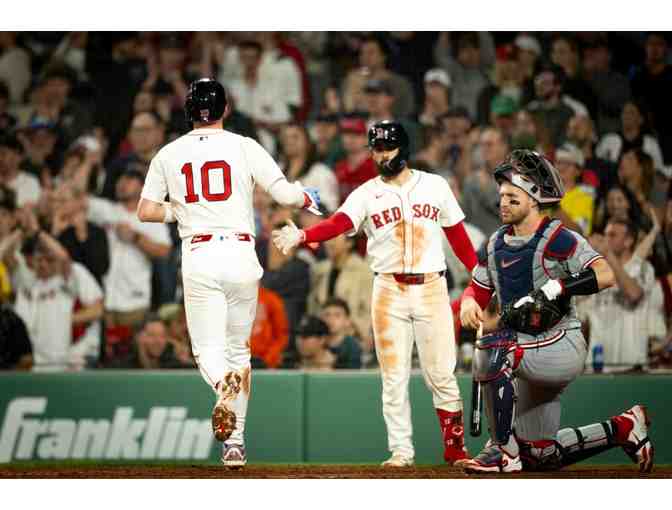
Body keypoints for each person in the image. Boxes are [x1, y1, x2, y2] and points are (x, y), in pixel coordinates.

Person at [136, 78, 322, 469]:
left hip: (200, 253)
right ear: (225, 109)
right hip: (240, 253)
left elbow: (146, 211)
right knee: (239, 351)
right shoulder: (244, 145)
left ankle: (223, 385)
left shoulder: (168, 153)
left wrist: (178, 210)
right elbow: (285, 195)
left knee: (207, 350)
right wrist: (307, 196)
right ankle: (234, 444)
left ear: (188, 111)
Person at [272, 120, 478, 467]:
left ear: (403, 148)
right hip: (388, 289)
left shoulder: (435, 185)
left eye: (387, 148)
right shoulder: (366, 193)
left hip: (431, 286)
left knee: (441, 374)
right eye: (376, 149)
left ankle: (455, 450)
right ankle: (401, 451)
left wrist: (479, 276)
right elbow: (339, 222)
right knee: (394, 377)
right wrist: (305, 236)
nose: (381, 155)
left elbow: (458, 237)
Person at [456, 149, 653, 474]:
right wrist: (468, 302)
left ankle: (503, 452)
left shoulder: (558, 238)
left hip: (560, 342)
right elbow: (477, 288)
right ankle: (623, 427)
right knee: (540, 454)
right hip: (525, 350)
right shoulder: (495, 243)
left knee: (493, 348)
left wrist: (559, 287)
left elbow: (605, 274)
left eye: (512, 198)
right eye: (501, 196)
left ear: (534, 200)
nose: (503, 203)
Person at [579, 220, 664, 371]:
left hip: (631, 365)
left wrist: (608, 255)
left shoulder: (643, 268)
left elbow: (634, 294)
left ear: (628, 241)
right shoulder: (595, 272)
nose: (606, 240)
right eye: (605, 235)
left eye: (612, 235)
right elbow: (583, 319)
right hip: (598, 365)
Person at [320, 298, 363, 369]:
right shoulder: (317, 342)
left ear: (347, 321)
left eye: (337, 315)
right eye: (327, 315)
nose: (331, 319)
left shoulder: (352, 347)